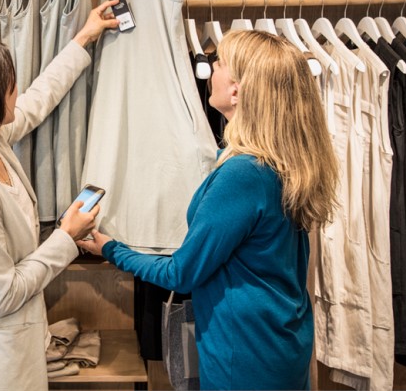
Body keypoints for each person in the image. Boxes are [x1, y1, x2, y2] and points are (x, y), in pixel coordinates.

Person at [79, 29, 339, 390]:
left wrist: (111, 248)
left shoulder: (244, 174)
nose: (210, 69)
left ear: (237, 89)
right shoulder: (281, 161)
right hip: (281, 340)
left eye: (219, 63)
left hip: (246, 354)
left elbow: (181, 273)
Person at [0, 0, 120, 391]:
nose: (16, 91)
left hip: (15, 353)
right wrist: (66, 237)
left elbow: (37, 99)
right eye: (9, 86)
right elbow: (3, 294)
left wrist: (83, 38)